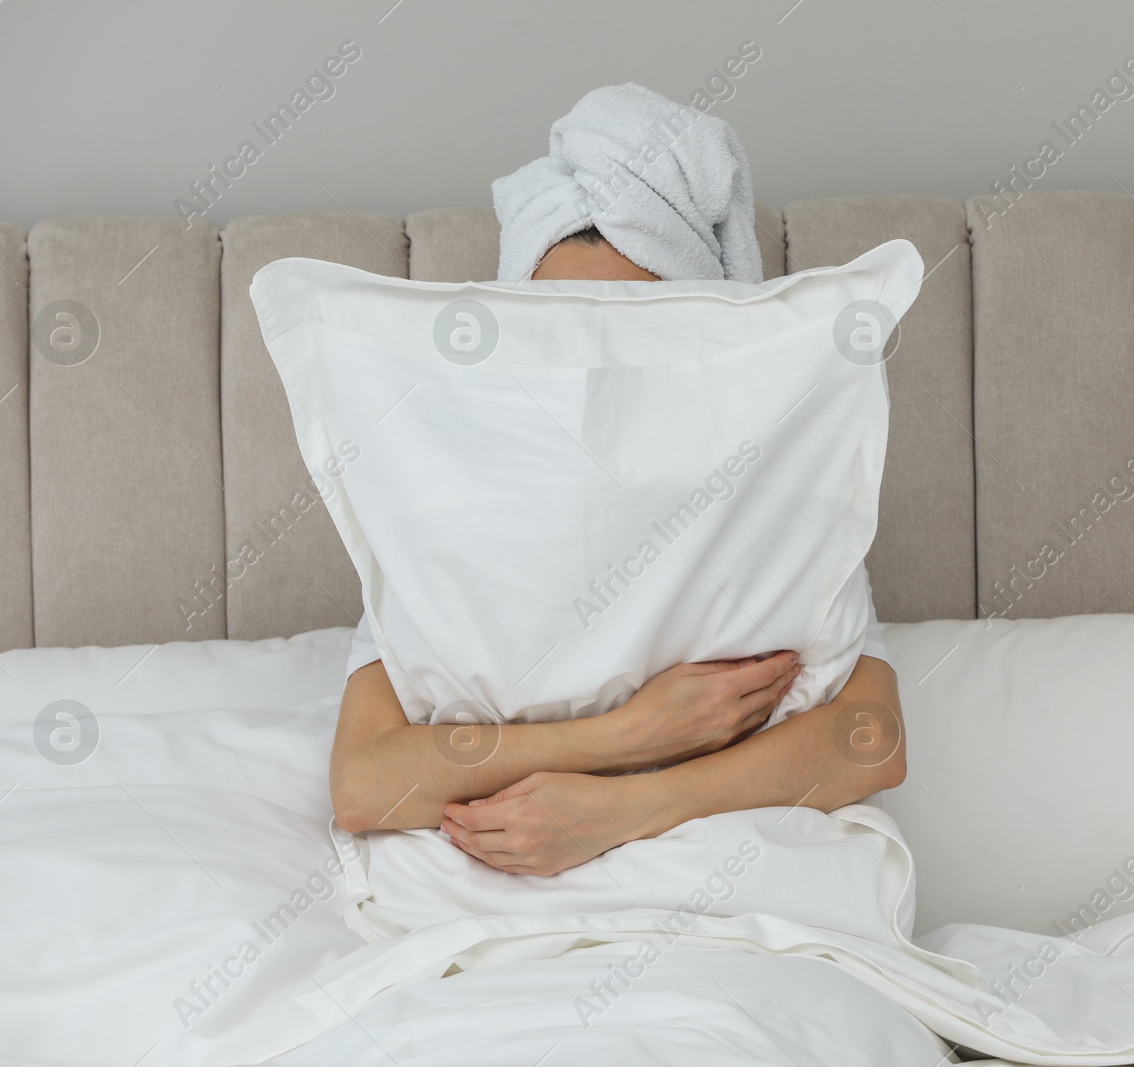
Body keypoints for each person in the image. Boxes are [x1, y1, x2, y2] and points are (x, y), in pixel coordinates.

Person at [329, 84, 906, 877]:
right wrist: (630, 736)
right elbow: (364, 784)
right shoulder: (452, 506)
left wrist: (626, 807)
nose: (595, 376)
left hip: (731, 883)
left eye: (631, 330)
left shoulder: (766, 492)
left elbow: (869, 740)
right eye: (565, 329)